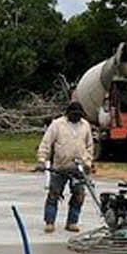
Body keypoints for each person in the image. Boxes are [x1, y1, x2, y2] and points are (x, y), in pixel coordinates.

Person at [37, 100, 95, 233]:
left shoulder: (85, 125)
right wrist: (42, 159)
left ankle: (72, 222)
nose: (76, 117)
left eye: (79, 115)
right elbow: (46, 143)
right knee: (54, 194)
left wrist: (88, 163)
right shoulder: (57, 125)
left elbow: (89, 146)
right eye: (74, 114)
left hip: (78, 167)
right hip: (60, 166)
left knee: (79, 195)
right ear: (68, 113)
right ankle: (50, 222)